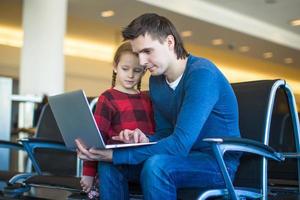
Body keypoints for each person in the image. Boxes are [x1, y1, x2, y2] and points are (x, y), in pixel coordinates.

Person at [76, 13, 241, 200]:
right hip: (180, 157)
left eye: (148, 51)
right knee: (109, 164)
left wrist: (116, 155)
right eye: (138, 54)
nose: (142, 62)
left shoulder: (202, 75)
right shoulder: (157, 81)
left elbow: (179, 144)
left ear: (169, 42)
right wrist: (144, 138)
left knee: (156, 166)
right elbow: (165, 132)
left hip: (216, 162)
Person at [80, 42, 155, 199]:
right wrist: (88, 172)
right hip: (117, 161)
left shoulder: (148, 99)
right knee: (107, 165)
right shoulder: (107, 98)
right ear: (115, 67)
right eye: (125, 69)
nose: (130, 75)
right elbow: (96, 139)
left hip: (144, 161)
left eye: (137, 70)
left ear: (144, 72)